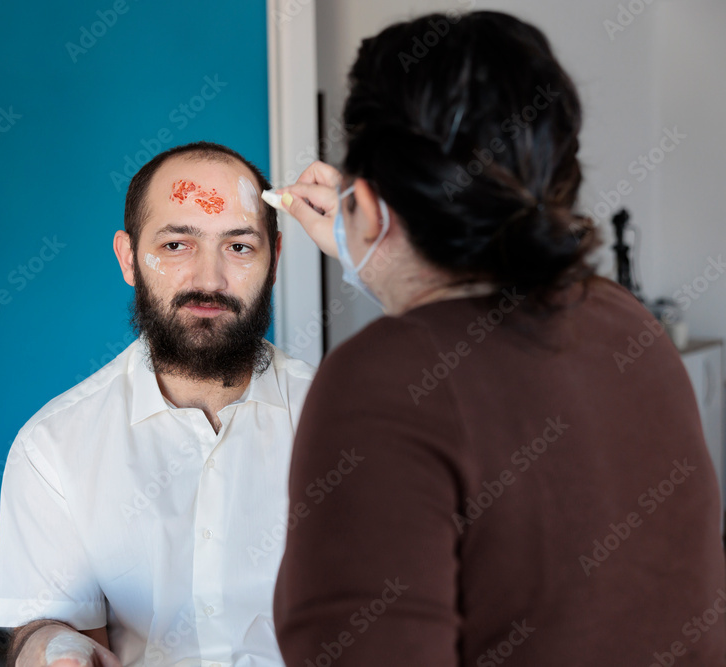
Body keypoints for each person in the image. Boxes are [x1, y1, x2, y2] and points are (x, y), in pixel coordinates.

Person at [271, 11, 726, 665]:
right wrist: (376, 242)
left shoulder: (379, 383)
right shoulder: (627, 326)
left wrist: (373, 242)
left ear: (368, 206)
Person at [0, 141, 317, 667]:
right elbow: (55, 624)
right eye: (176, 246)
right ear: (128, 258)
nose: (208, 280)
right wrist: (53, 648)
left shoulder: (344, 422)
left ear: (274, 260)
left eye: (238, 247)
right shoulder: (52, 445)